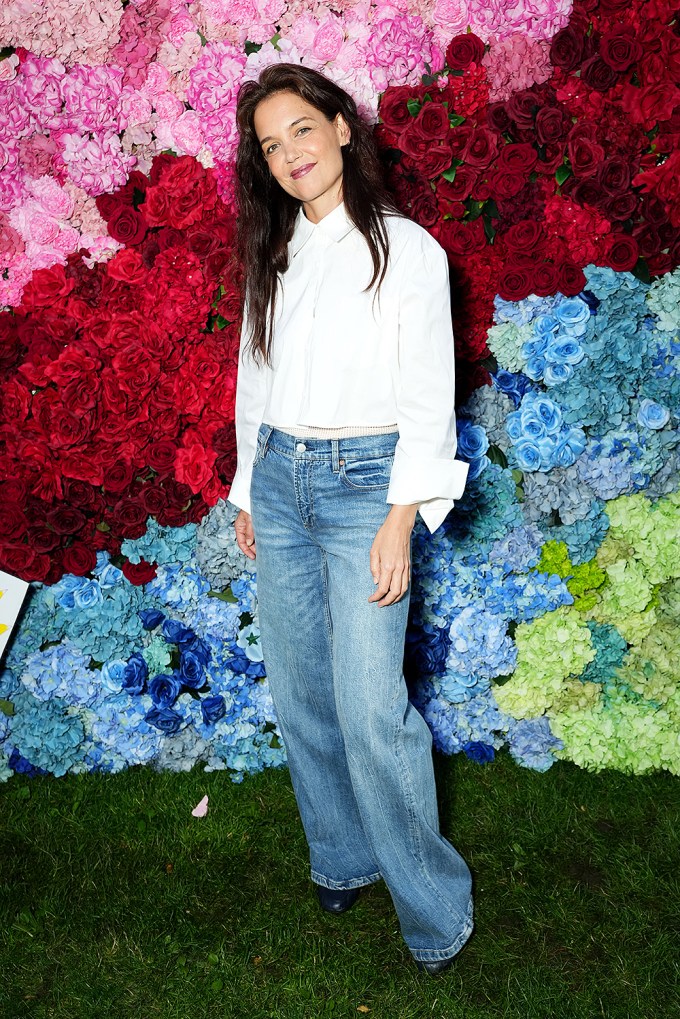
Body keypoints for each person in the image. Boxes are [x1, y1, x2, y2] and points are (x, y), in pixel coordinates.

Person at [228, 62, 473, 975]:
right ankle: (342, 853)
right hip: (282, 478)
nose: (289, 153)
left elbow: (426, 396)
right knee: (300, 692)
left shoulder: (407, 250)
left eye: (301, 129)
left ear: (339, 126)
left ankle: (435, 909)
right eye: (269, 144)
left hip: (367, 483)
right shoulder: (277, 250)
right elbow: (257, 382)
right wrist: (251, 491)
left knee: (373, 707)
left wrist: (400, 514)